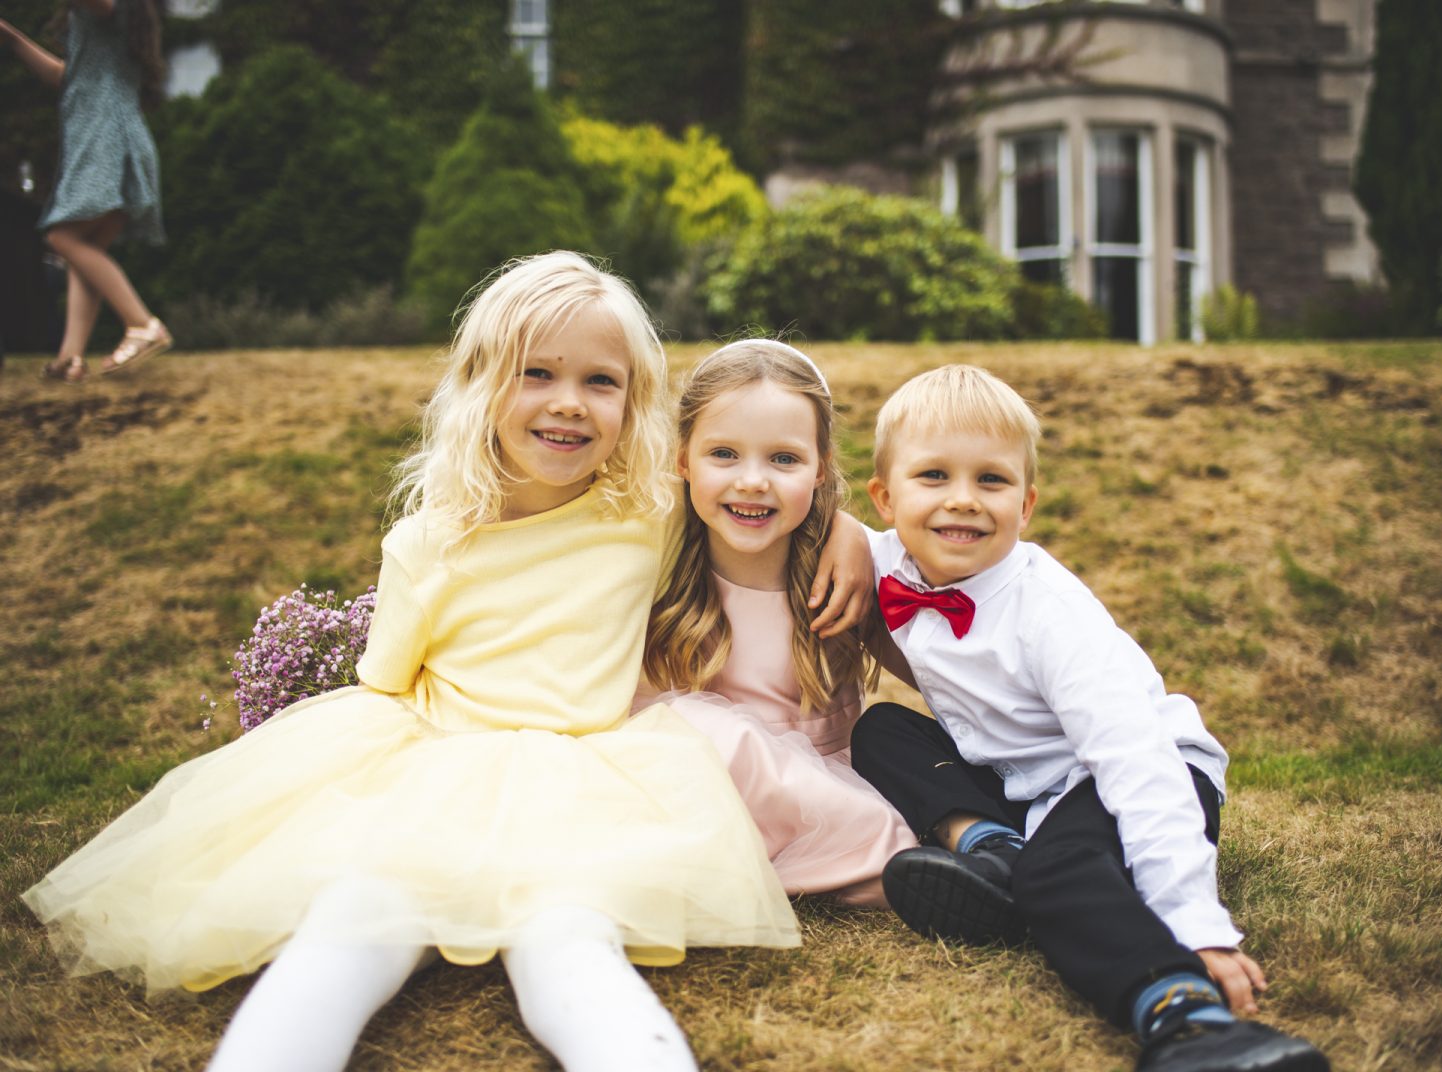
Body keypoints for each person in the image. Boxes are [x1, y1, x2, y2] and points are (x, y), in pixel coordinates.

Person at [22, 253, 873, 1072]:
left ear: (634, 399)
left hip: (594, 778)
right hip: (433, 771)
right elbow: (385, 687)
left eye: (599, 381)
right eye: (535, 373)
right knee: (351, 928)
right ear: (482, 383)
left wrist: (845, 529)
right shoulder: (429, 541)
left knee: (567, 941)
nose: (567, 404)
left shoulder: (647, 509)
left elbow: (755, 484)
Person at [849, 365, 1329, 1072]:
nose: (962, 501)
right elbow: (823, 530)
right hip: (1018, 781)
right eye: (933, 477)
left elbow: (1137, 762)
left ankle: (1182, 1012)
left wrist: (1196, 924)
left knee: (1063, 867)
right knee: (881, 731)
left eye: (991, 480)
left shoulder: (1051, 614)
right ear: (886, 499)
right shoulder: (887, 562)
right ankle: (991, 849)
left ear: (1028, 503)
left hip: (1132, 769)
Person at [640, 339, 918, 906]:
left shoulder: (841, 570)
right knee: (698, 729)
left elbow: (939, 673)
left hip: (830, 796)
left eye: (784, 459)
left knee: (898, 749)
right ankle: (901, 867)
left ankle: (910, 864)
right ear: (682, 459)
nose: (752, 481)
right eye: (723, 454)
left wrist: (856, 533)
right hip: (701, 788)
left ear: (820, 469)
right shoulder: (652, 558)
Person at [1, 0, 172, 383]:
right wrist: (12, 40)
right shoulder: (106, 25)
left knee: (63, 236)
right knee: (85, 250)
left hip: (105, 139)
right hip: (112, 137)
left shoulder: (111, 7)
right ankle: (71, 358)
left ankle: (142, 323)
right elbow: (69, 78)